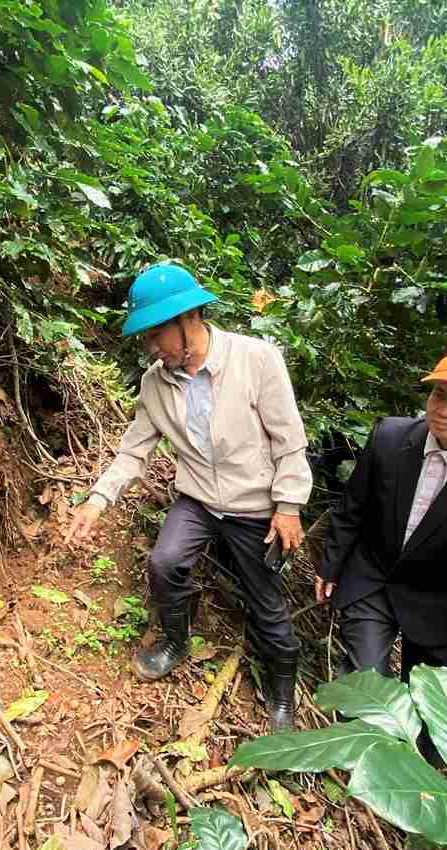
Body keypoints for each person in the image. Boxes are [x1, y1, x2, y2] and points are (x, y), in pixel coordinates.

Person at [67, 263, 312, 730]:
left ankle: (283, 691)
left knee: (266, 602)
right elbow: (134, 449)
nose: (151, 348)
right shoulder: (156, 382)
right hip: (198, 498)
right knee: (164, 562)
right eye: (145, 338)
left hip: (254, 504)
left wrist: (288, 506)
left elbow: (289, 440)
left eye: (156, 335)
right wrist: (98, 500)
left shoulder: (255, 360)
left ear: (190, 320)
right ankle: (177, 640)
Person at [315, 344, 447, 679]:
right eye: (439, 394)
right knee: (366, 695)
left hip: (439, 605)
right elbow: (352, 507)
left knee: (430, 715)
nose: (445, 410)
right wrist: (330, 566)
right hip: (373, 580)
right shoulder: (389, 437)